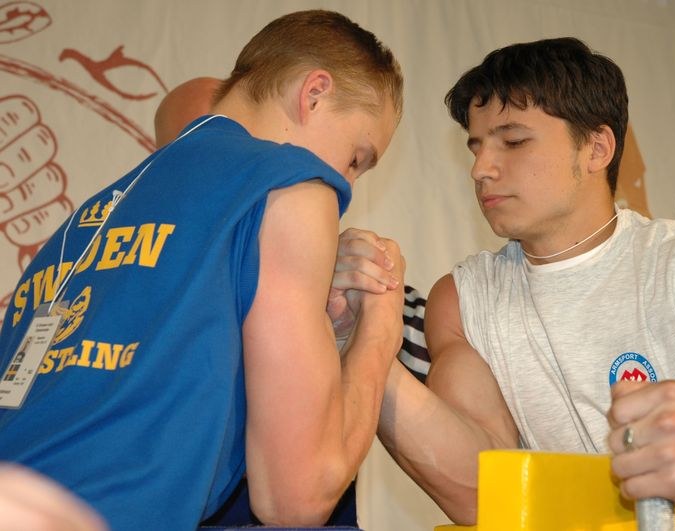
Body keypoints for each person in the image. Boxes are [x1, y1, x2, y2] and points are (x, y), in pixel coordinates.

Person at [0, 9, 407, 530]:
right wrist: (380, 326)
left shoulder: (93, 216)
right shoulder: (293, 185)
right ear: (314, 94)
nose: (347, 184)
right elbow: (295, 498)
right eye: (356, 157)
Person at [371, 37, 675, 530]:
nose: (480, 169)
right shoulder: (466, 300)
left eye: (512, 141)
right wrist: (365, 352)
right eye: (477, 145)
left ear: (597, 148)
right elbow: (482, 490)